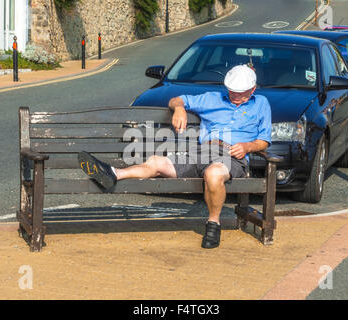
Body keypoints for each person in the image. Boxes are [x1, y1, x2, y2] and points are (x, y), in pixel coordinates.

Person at [78, 64, 272, 249]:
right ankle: (113, 173)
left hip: (232, 155)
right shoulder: (212, 98)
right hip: (202, 152)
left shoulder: (261, 104)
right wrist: (179, 109)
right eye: (232, 91)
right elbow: (176, 100)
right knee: (156, 161)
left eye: (241, 93)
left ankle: (213, 224)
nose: (236, 96)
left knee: (213, 174)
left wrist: (248, 146)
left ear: (253, 89)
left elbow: (264, 140)